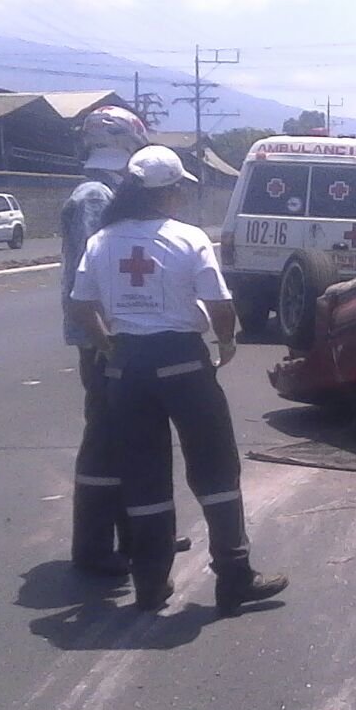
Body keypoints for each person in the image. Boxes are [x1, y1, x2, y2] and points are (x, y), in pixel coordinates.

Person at [69, 145, 288, 614]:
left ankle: (150, 583)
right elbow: (220, 304)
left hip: (127, 368)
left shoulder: (102, 240)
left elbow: (81, 304)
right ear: (168, 192)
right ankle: (234, 575)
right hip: (182, 363)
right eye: (179, 190)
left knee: (143, 473)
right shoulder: (188, 238)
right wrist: (226, 343)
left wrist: (107, 344)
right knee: (215, 467)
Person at [61, 106, 190, 575]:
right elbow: (95, 273)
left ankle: (140, 536)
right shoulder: (94, 197)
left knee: (126, 436)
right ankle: (94, 548)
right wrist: (105, 338)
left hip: (117, 336)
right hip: (105, 338)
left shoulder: (104, 191)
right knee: (104, 438)